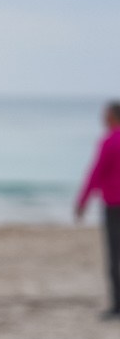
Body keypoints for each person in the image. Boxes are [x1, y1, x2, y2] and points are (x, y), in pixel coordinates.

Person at [76, 101, 120, 319]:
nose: (102, 118)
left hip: (114, 205)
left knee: (114, 255)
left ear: (112, 116)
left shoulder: (109, 142)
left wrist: (82, 201)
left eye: (104, 114)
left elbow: (96, 172)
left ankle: (117, 305)